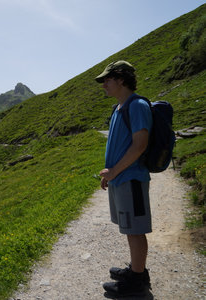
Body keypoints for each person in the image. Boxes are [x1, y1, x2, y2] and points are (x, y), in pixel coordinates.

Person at [95, 60, 153, 298]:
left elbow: (140, 146)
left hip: (132, 178)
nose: (104, 85)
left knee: (136, 231)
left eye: (107, 80)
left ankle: (137, 281)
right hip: (121, 179)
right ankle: (137, 270)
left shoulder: (137, 105)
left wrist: (115, 171)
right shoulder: (119, 108)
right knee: (130, 229)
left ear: (121, 79)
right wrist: (110, 174)